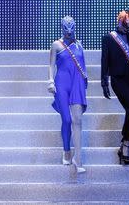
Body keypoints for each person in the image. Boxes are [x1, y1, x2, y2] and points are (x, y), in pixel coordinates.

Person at [101, 10, 129, 165]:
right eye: (125, 20)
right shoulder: (108, 38)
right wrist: (104, 82)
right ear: (119, 20)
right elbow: (105, 60)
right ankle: (126, 145)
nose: (127, 23)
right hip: (118, 80)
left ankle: (124, 145)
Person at [48, 16, 88, 173]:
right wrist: (50, 81)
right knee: (66, 119)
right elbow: (51, 66)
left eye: (72, 28)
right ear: (62, 28)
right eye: (66, 28)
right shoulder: (56, 45)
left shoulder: (79, 45)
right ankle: (66, 150)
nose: (69, 31)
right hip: (62, 84)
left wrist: (85, 80)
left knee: (77, 120)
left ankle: (78, 160)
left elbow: (83, 64)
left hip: (76, 82)